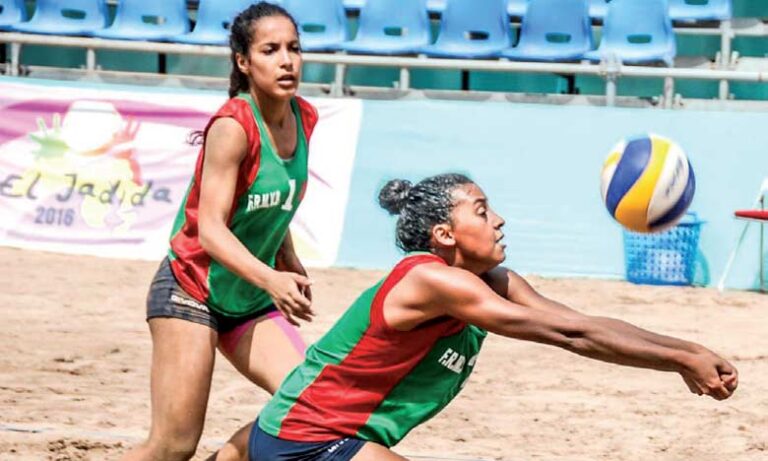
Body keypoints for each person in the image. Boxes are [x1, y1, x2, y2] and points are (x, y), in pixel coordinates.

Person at [247, 173, 739, 461]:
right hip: (308, 440)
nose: (498, 219)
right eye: (482, 212)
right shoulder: (430, 279)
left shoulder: (494, 280)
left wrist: (685, 352)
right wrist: (680, 357)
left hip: (329, 435)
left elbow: (584, 325)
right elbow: (570, 336)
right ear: (444, 234)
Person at [121, 3, 316, 461]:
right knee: (172, 446)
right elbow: (210, 229)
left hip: (247, 298)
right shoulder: (232, 126)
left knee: (309, 408)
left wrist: (285, 256)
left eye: (294, 48)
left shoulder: (305, 117)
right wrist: (271, 278)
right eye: (270, 50)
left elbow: (269, 199)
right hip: (191, 291)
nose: (286, 60)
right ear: (244, 62)